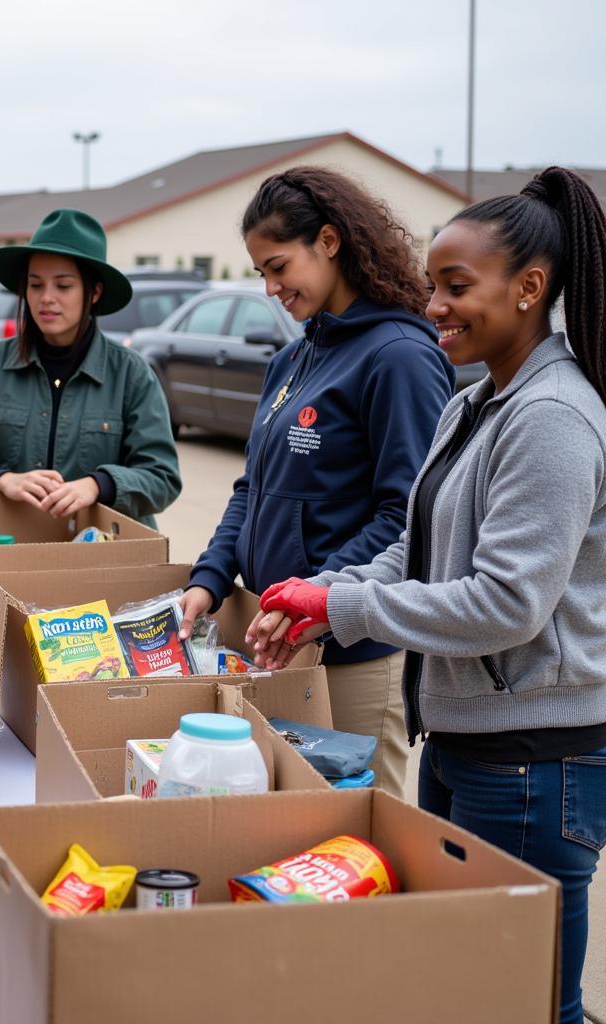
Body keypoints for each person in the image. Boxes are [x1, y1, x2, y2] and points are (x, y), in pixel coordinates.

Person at [253, 166, 606, 1024]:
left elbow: (506, 604)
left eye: (456, 288)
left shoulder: (552, 416)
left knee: (522, 998)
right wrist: (319, 591)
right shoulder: (474, 403)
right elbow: (412, 553)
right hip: (462, 739)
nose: (435, 307)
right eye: (432, 287)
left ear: (530, 289)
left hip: (535, 757)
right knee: (463, 988)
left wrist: (345, 609)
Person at [179, 167, 454, 797]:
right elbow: (251, 488)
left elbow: (408, 516)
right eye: (261, 274)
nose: (271, 289)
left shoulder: (399, 357)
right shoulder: (292, 358)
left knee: (356, 832)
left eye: (279, 267)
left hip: (354, 652)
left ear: (329, 242)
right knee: (296, 833)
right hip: (282, 640)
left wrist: (318, 597)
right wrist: (211, 579)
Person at [0, 209, 181, 527]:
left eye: (63, 286)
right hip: (13, 546)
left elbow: (162, 477)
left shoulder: (131, 372)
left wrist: (98, 485)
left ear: (95, 292)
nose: (46, 298)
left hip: (107, 554)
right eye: (35, 286)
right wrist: (0, 479)